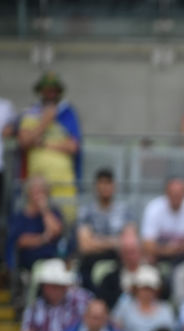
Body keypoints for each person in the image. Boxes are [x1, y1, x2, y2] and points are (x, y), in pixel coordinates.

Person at [16, 72, 81, 221]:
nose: (51, 94)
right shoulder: (30, 114)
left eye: (54, 90)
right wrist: (45, 122)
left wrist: (43, 143)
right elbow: (24, 141)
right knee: (35, 225)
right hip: (36, 185)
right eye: (47, 90)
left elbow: (73, 146)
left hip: (62, 184)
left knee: (64, 224)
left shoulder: (67, 113)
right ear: (40, 91)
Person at [76, 168, 136, 292]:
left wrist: (96, 240)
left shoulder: (124, 211)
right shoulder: (86, 212)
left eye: (108, 183)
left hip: (119, 260)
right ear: (96, 186)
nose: (105, 187)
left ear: (114, 186)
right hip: (92, 261)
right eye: (102, 183)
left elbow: (129, 244)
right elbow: (85, 246)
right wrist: (114, 242)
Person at [140, 177, 184, 266]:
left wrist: (178, 249)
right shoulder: (154, 208)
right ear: (166, 193)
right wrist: (166, 250)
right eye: (173, 194)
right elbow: (147, 244)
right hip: (159, 258)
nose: (176, 197)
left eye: (179, 194)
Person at [7, 175, 66, 274]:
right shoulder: (20, 216)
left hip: (51, 260)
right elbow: (21, 241)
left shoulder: (53, 212)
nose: (39, 194)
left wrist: (44, 210)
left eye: (42, 190)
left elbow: (55, 231)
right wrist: (43, 238)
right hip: (28, 262)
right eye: (36, 190)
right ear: (28, 192)